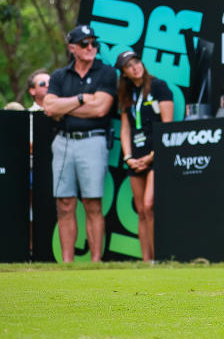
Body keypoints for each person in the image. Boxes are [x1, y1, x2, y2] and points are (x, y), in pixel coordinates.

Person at [42, 24, 117, 262]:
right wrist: (83, 98)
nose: (91, 48)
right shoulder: (59, 76)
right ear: (72, 47)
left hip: (93, 141)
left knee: (93, 202)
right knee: (64, 203)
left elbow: (101, 109)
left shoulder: (106, 72)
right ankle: (67, 263)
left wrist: (65, 107)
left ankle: (95, 262)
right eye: (85, 43)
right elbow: (49, 107)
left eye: (94, 43)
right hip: (63, 142)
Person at [115, 50, 174, 262]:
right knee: (140, 209)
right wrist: (128, 156)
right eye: (129, 65)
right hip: (135, 156)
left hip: (156, 154)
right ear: (124, 72)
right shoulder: (126, 93)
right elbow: (125, 129)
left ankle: (158, 257)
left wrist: (152, 155)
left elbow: (168, 125)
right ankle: (146, 260)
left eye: (137, 62)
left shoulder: (159, 86)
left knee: (150, 205)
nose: (135, 67)